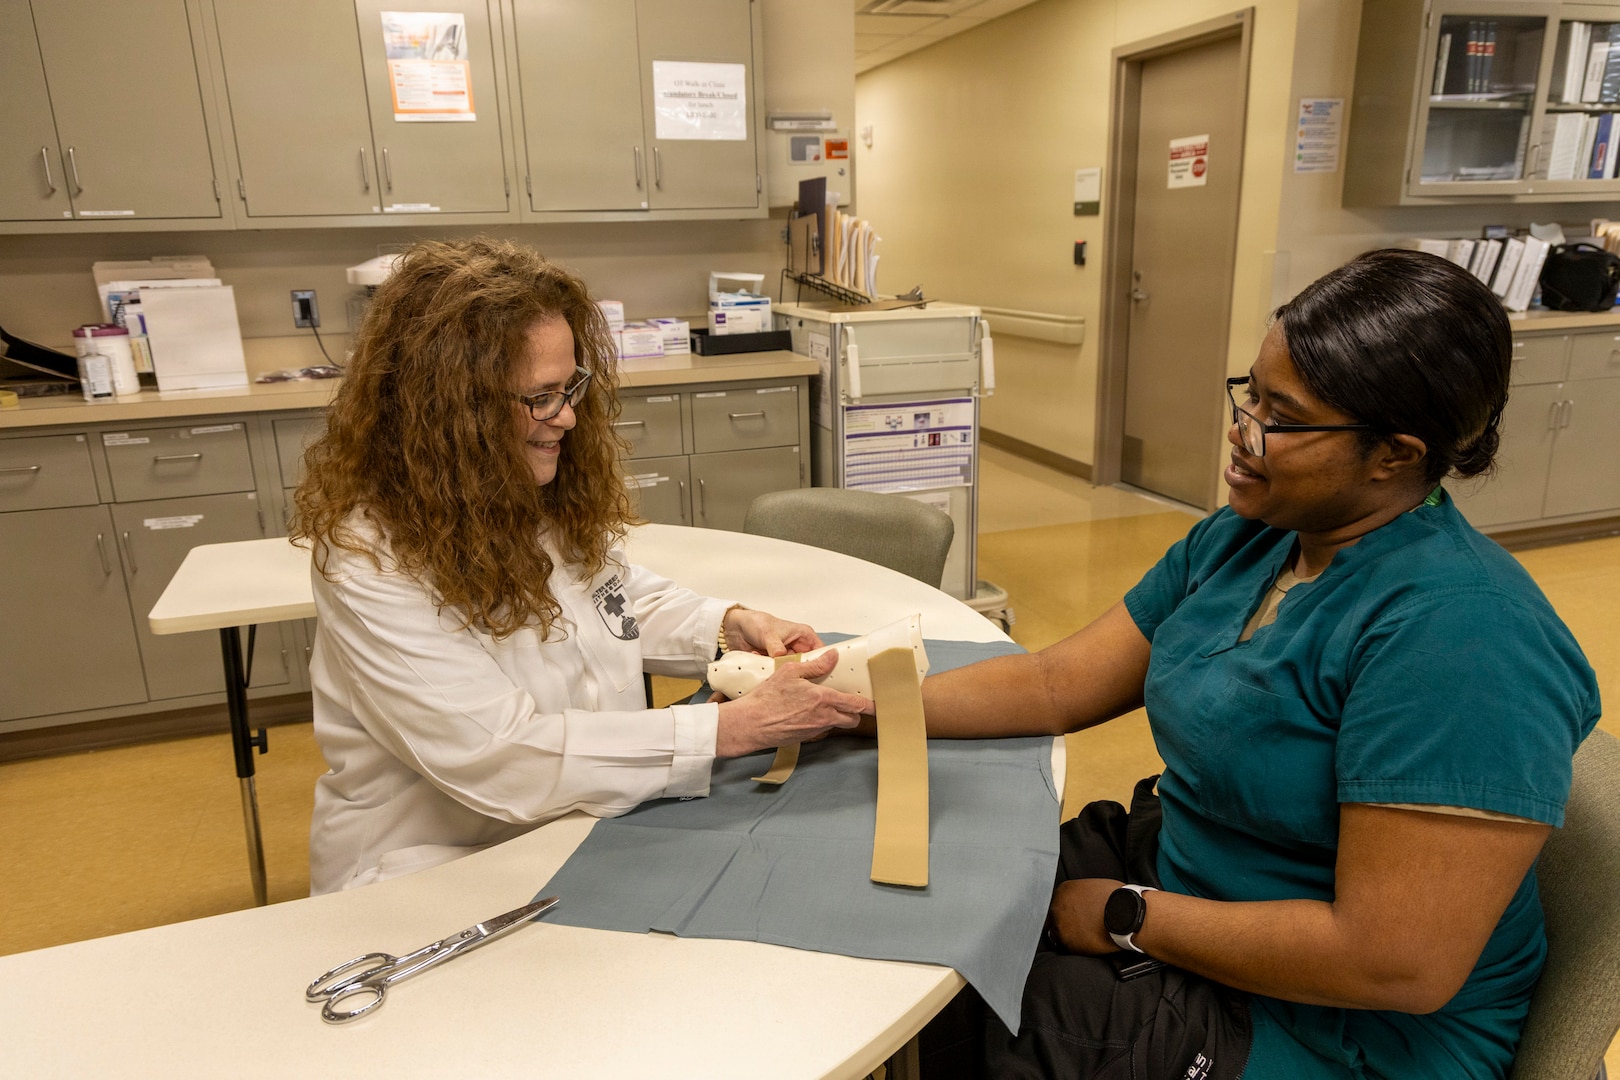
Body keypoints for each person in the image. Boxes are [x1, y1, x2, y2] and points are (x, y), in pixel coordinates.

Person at [918, 249, 1601, 1079]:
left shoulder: (1462, 640)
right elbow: (1057, 681)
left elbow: (1394, 963)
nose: (1243, 435)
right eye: (1250, 395)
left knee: (983, 1017)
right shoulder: (1258, 533)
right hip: (1198, 876)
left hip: (1339, 1028)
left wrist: (1133, 917)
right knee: (955, 886)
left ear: (1394, 454)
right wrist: (861, 703)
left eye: (1284, 417)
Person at [292, 237, 870, 894]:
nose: (566, 416)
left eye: (570, 388)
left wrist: (728, 625)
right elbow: (501, 757)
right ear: (454, 410)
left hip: (584, 831)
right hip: (435, 868)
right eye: (539, 396)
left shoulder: (522, 490)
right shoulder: (367, 558)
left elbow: (609, 598)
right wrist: (729, 729)